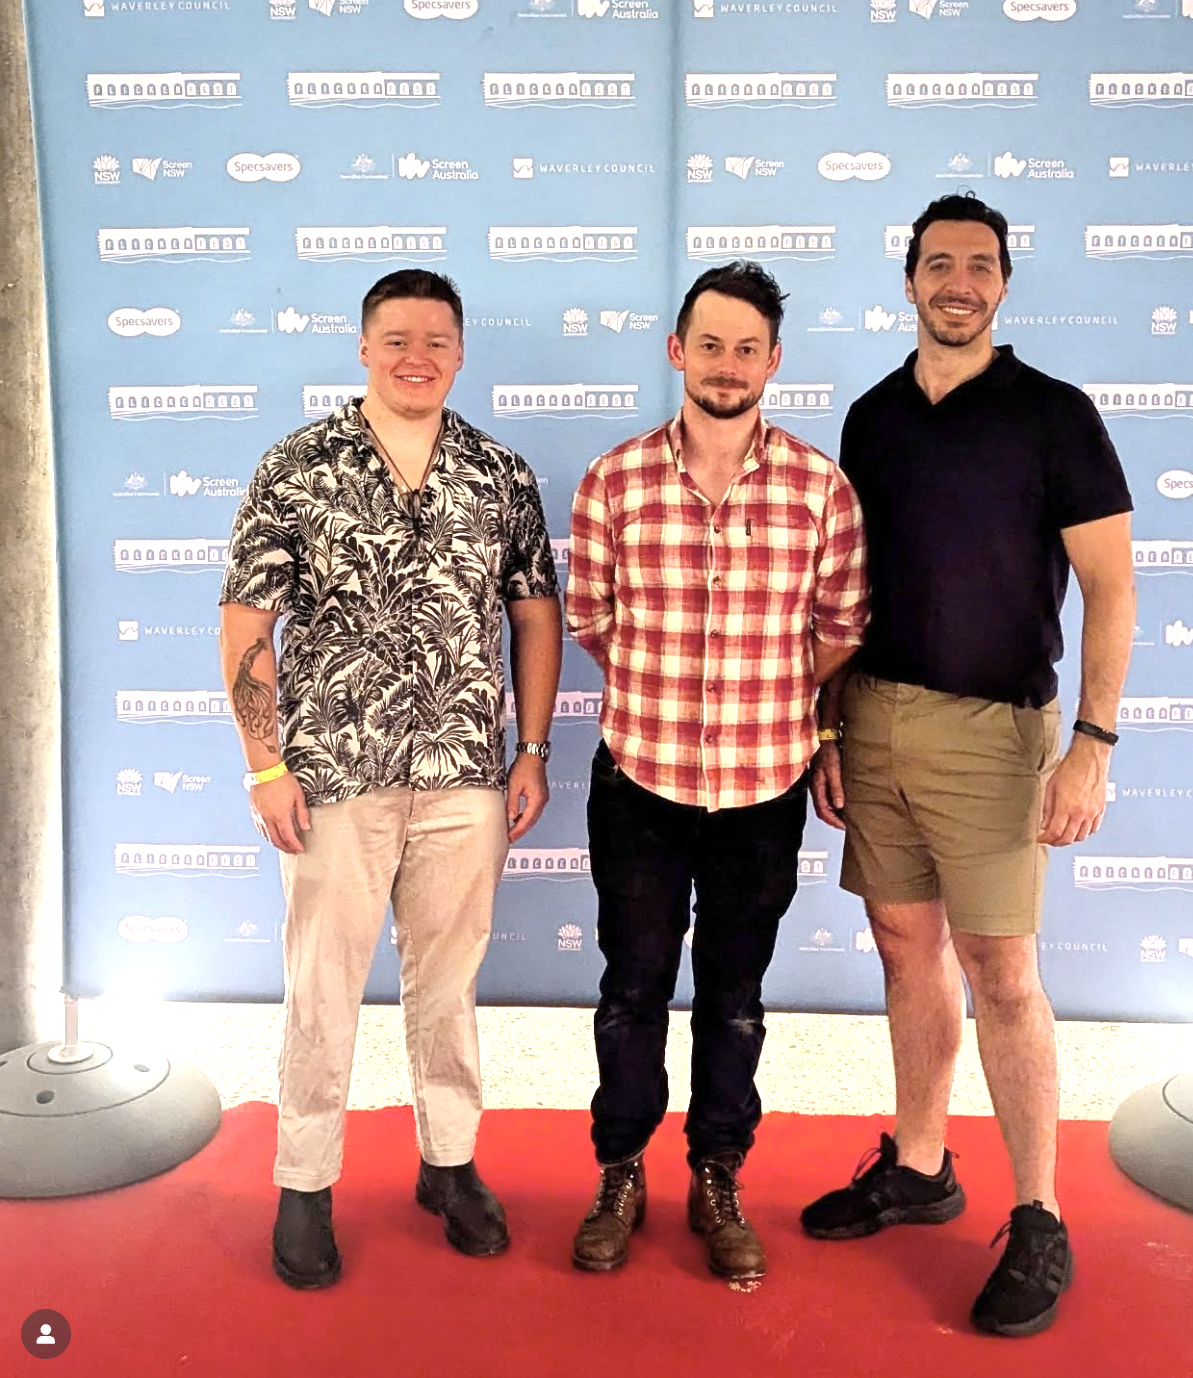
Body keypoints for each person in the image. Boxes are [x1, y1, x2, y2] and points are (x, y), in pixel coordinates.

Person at [799, 194, 1135, 1337]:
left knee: (1001, 966)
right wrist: (833, 725)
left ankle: (1039, 1215)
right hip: (879, 718)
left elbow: (1113, 587)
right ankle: (922, 1164)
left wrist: (1091, 744)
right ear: (907, 280)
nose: (958, 281)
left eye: (979, 265)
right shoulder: (872, 418)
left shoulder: (1056, 415)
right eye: (938, 262)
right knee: (905, 946)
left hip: (999, 732)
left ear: (1003, 284)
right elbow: (847, 595)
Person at [218, 269, 562, 1290]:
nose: (419, 356)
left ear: (460, 352)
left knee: (448, 987)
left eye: (438, 340)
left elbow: (534, 613)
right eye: (398, 338)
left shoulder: (498, 472)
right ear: (365, 346)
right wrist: (264, 764)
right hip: (330, 775)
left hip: (464, 774)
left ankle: (449, 1163)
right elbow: (248, 623)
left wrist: (532, 748)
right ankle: (305, 1181)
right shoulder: (298, 465)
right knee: (322, 989)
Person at [565, 261, 870, 1280]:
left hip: (762, 790)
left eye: (748, 348)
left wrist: (760, 702)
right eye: (711, 344)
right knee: (631, 990)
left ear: (773, 362)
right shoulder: (613, 480)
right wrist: (674, 691)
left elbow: (839, 628)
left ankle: (716, 1174)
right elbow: (592, 618)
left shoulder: (820, 487)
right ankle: (619, 1170)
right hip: (641, 782)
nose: (728, 365)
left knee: (735, 998)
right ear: (675, 350)